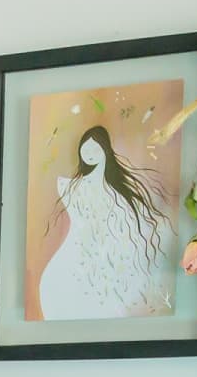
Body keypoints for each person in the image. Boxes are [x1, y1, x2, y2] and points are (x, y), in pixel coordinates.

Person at [38, 125, 172, 319]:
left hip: (107, 260)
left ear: (105, 151)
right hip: (75, 254)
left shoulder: (116, 192)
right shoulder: (71, 187)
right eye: (86, 148)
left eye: (95, 149)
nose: (90, 153)